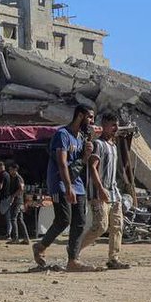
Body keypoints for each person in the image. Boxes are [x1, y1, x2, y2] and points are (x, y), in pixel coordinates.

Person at [34, 105, 96, 272]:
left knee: (80, 222)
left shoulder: (81, 138)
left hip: (77, 183)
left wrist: (86, 155)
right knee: (64, 219)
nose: (92, 121)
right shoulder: (63, 135)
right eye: (89, 117)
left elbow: (79, 163)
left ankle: (73, 260)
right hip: (60, 182)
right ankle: (41, 246)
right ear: (80, 115)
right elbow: (62, 164)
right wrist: (68, 187)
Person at [78, 112, 129, 269]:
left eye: (116, 124)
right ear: (104, 126)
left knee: (117, 226)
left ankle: (113, 258)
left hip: (114, 193)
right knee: (100, 226)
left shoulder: (113, 145)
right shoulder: (98, 144)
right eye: (112, 125)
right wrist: (100, 189)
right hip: (99, 192)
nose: (115, 128)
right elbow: (93, 167)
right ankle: (75, 250)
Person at [0, 162, 29, 244]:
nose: (9, 171)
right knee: (20, 219)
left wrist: (13, 196)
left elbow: (21, 189)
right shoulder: (12, 177)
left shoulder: (18, 178)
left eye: (11, 169)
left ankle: (15, 238)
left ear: (15, 169)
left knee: (13, 218)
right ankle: (26, 238)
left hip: (18, 201)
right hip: (17, 201)